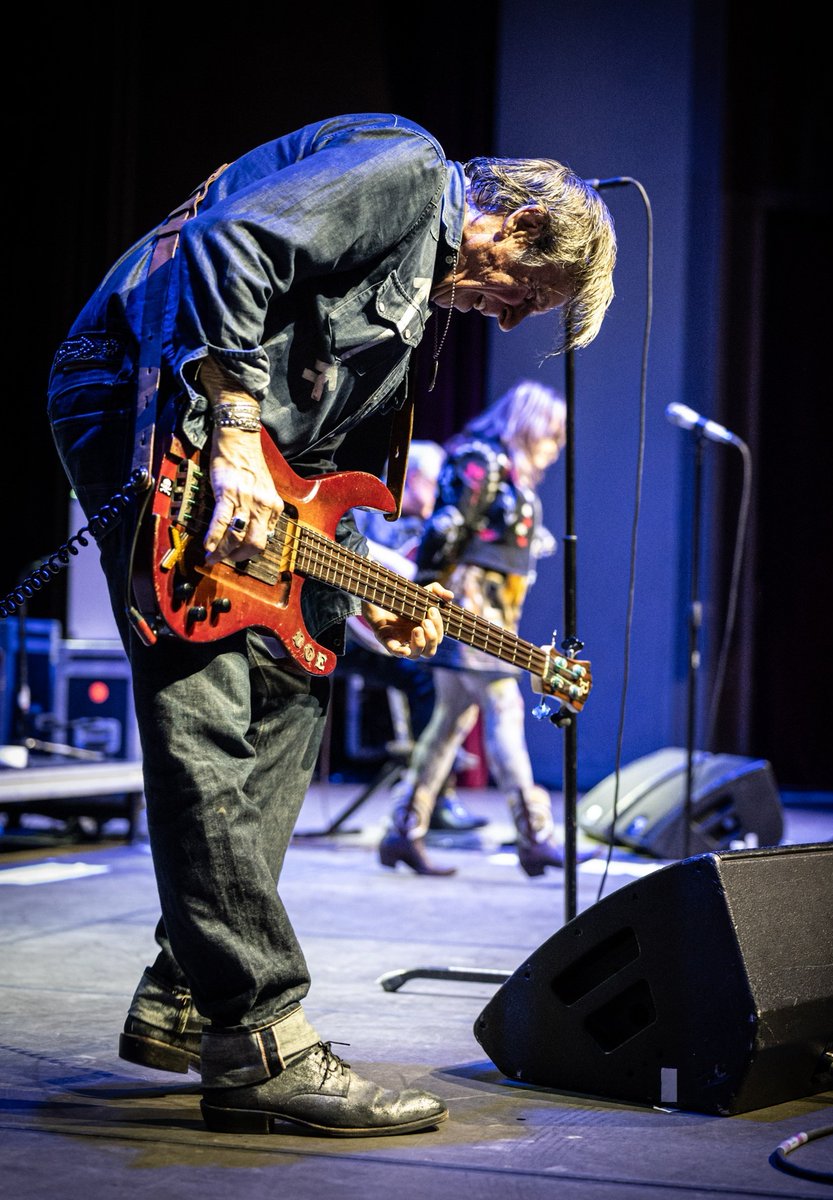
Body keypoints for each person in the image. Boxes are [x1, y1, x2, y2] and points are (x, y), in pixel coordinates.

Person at [46, 112, 616, 1138]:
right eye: (528, 294)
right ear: (521, 224)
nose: (509, 321)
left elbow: (312, 476)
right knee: (206, 702)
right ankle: (259, 1037)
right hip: (142, 389)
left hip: (227, 442)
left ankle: (189, 990)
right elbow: (231, 240)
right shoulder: (410, 169)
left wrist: (367, 584)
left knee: (300, 678)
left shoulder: (415, 302)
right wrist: (231, 438)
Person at [378, 380, 596, 879]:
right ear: (530, 425)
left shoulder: (505, 468)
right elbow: (446, 526)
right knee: (505, 708)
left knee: (450, 721)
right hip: (470, 608)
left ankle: (402, 831)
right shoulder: (481, 458)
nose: (556, 447)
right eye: (552, 434)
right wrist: (423, 596)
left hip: (494, 608)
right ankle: (535, 835)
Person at [343, 440, 488, 832]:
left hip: (385, 639)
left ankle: (434, 786)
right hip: (348, 631)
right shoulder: (367, 511)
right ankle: (434, 799)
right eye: (432, 483)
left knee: (446, 674)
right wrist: (404, 579)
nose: (439, 492)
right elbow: (352, 552)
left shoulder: (427, 529)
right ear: (411, 478)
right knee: (427, 683)